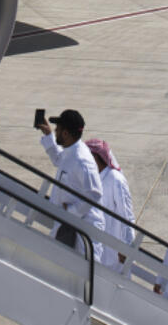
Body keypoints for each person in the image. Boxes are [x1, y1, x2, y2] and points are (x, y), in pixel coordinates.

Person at [37, 109, 104, 259]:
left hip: (83, 228)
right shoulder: (70, 151)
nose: (55, 131)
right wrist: (48, 136)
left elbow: (94, 193)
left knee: (82, 275)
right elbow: (58, 160)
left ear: (66, 133)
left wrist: (72, 211)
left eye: (57, 129)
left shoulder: (82, 160)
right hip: (69, 224)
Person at [85, 138, 133, 273]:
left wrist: (126, 246)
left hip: (115, 254)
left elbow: (127, 216)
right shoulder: (92, 178)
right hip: (96, 248)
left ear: (95, 157)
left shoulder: (115, 180)